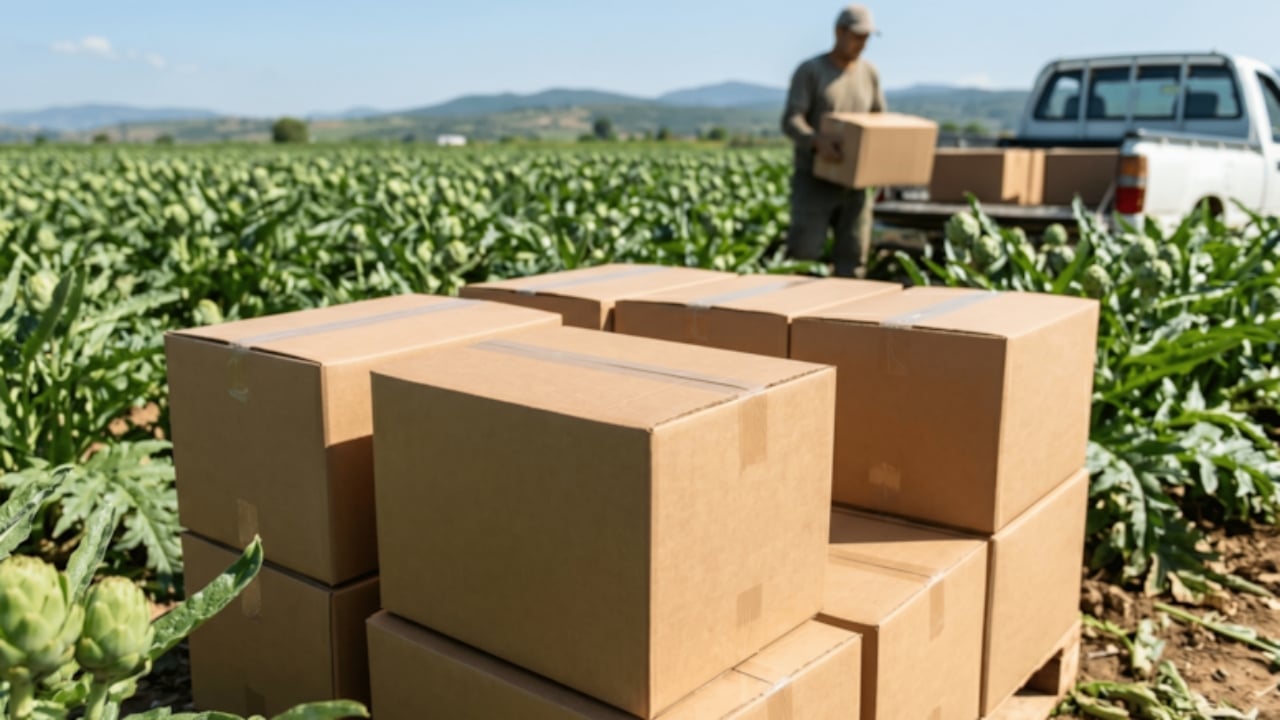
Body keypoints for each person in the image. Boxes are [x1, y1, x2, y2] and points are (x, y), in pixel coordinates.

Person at [781, 4, 887, 277]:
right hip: (816, 178)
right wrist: (817, 142)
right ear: (839, 31)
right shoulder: (811, 71)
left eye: (866, 38)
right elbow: (791, 119)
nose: (862, 44)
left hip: (857, 183)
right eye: (857, 36)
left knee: (853, 256)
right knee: (804, 255)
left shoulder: (869, 74)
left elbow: (879, 120)